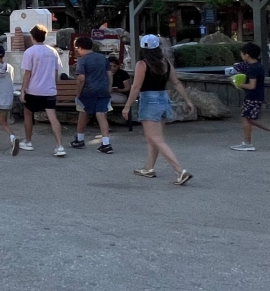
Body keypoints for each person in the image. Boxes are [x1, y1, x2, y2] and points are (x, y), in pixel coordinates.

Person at [122, 35, 193, 184]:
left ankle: (180, 170)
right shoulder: (166, 63)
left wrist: (127, 106)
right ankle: (149, 168)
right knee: (152, 137)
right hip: (163, 99)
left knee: (156, 139)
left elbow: (136, 87)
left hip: (149, 100)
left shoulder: (142, 64)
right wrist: (188, 100)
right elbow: (176, 82)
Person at [19, 25, 66, 156]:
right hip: (49, 89)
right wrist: (53, 86)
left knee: (28, 113)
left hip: (33, 89)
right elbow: (56, 72)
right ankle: (60, 145)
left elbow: (27, 74)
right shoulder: (53, 51)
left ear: (33, 37)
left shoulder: (30, 52)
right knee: (53, 117)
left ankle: (28, 141)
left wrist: (23, 90)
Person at [72, 37, 114, 153]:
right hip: (103, 90)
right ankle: (106, 143)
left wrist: (78, 93)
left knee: (83, 113)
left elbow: (81, 79)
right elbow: (109, 74)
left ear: (80, 47)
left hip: (87, 91)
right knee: (101, 115)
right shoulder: (102, 58)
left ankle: (80, 139)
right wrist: (109, 88)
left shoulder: (82, 60)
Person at [230, 42, 269, 150]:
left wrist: (238, 84)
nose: (241, 56)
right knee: (250, 119)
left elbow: (252, 86)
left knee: (247, 119)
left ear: (247, 54)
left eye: (242, 54)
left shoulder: (253, 68)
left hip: (253, 97)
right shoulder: (257, 66)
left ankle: (248, 144)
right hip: (255, 96)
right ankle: (247, 143)